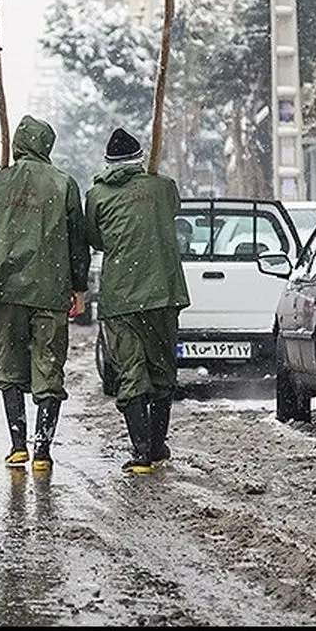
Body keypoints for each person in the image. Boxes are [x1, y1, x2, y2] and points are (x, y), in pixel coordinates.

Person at [0, 115, 90, 472]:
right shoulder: (64, 184)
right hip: (49, 290)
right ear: (47, 145)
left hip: (6, 290)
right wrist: (78, 287)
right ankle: (43, 450)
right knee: (49, 366)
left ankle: (17, 445)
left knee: (10, 363)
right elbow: (77, 241)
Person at [85, 128, 190, 475]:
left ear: (108, 162)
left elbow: (96, 239)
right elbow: (173, 209)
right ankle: (158, 446)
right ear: (140, 157)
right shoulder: (161, 187)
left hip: (121, 298)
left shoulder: (97, 195)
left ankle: (140, 452)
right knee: (162, 371)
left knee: (130, 372)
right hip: (162, 293)